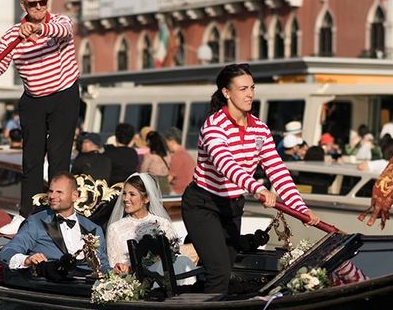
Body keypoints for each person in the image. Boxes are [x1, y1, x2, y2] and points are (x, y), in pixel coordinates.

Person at [181, 63, 320, 294]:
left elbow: (277, 170)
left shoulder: (260, 129)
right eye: (243, 89)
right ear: (226, 92)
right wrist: (258, 189)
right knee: (219, 273)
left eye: (252, 88)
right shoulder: (214, 126)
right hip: (203, 204)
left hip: (232, 206)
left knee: (224, 270)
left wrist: (300, 208)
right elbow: (225, 163)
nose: (250, 94)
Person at [0, 0, 80, 235]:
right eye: (33, 4)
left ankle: (60, 213)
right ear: (24, 6)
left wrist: (38, 29)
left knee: (58, 157)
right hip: (33, 99)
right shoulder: (12, 34)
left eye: (42, 2)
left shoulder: (59, 22)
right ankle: (26, 215)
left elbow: (63, 31)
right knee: (31, 160)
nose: (39, 7)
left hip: (64, 95)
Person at [0, 172, 109, 272]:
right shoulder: (36, 222)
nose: (52, 196)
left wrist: (117, 271)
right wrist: (26, 260)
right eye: (51, 191)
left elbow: (102, 265)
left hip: (84, 288)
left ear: (74, 196)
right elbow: (7, 252)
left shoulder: (93, 228)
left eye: (59, 192)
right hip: (49, 285)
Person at [106, 173, 196, 285]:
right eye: (124, 194)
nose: (125, 199)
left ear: (146, 198)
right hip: (134, 282)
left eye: (132, 194)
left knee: (182, 261)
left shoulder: (162, 223)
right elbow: (114, 265)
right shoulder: (115, 228)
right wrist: (122, 268)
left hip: (166, 277)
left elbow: (173, 255)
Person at [163, 127, 195, 195]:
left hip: (178, 192)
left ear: (172, 141)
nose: (166, 145)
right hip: (189, 192)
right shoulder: (187, 155)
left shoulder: (177, 156)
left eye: (167, 142)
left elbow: (169, 178)